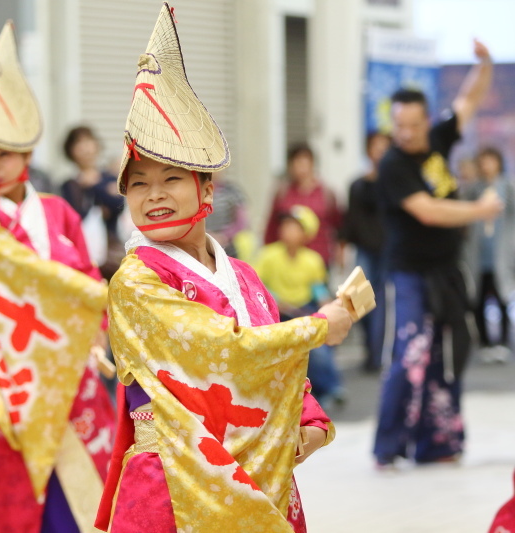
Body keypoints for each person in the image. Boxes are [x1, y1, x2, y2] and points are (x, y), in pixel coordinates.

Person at [95, 5, 353, 532]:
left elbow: (276, 367)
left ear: (206, 188)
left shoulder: (246, 278)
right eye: (138, 184)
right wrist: (321, 327)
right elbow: (225, 351)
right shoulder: (137, 280)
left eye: (171, 178)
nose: (153, 196)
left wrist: (309, 424)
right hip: (173, 480)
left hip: (258, 471)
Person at [0, 21, 115, 533]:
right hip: (9, 371)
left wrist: (97, 330)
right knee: (8, 491)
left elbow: (80, 268)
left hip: (69, 363)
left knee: (76, 497)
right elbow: (39, 280)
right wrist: (107, 297)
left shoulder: (59, 211)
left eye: (4, 155)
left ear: (27, 156)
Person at [373, 39, 503, 469]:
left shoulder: (439, 139)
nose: (405, 133)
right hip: (410, 274)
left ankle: (439, 445)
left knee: (446, 356)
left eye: (412, 125)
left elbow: (469, 97)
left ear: (425, 120)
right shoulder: (393, 164)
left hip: (447, 272)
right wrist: (479, 209)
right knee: (411, 354)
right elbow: (427, 212)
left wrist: (483, 63)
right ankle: (388, 447)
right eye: (398, 125)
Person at [254, 205, 344, 408]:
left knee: (318, 346)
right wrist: (274, 298)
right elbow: (257, 283)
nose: (288, 230)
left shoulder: (312, 260)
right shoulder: (268, 255)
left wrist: (326, 307)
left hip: (304, 309)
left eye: (295, 227)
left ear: (306, 234)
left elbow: (318, 289)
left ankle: (331, 387)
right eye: (285, 225)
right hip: (275, 313)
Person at [341, 131, 392, 372]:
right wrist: (342, 246)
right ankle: (372, 349)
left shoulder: (393, 185)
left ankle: (377, 355)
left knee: (381, 302)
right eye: (376, 147)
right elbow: (350, 220)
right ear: (368, 151)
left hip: (388, 250)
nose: (380, 152)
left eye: (385, 147)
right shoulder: (357, 185)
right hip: (364, 250)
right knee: (359, 302)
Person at [462, 146, 515, 363]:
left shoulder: (508, 187)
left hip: (501, 253)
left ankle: (502, 342)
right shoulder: (473, 189)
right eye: (483, 161)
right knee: (479, 299)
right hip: (478, 255)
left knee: (502, 298)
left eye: (490, 160)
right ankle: (485, 343)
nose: (487, 165)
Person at [61, 125, 125, 278]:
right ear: (71, 151)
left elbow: (117, 207)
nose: (85, 148)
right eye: (79, 143)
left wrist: (95, 185)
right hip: (80, 252)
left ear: (97, 145)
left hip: (110, 250)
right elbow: (73, 217)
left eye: (88, 141)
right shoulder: (69, 185)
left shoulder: (110, 178)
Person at [264, 142, 342, 268]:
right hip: (288, 260)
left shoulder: (326, 193)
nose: (301, 167)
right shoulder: (283, 193)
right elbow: (272, 227)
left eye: (305, 162)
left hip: (320, 258)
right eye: (297, 162)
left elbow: (338, 225)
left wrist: (340, 251)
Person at [207, 170, 249, 257]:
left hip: (228, 244)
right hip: (203, 242)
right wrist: (207, 236)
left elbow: (241, 221)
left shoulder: (232, 191)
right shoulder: (197, 191)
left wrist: (224, 236)